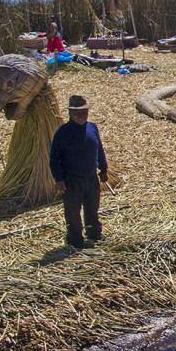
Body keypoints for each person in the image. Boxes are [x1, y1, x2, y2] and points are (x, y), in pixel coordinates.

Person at [49, 95, 108, 249]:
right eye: (77, 113)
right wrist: (58, 179)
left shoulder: (92, 127)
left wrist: (104, 168)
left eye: (84, 112)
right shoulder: (63, 132)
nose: (81, 116)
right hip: (72, 180)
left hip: (91, 177)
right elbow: (54, 157)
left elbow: (99, 149)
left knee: (92, 208)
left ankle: (94, 233)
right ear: (70, 113)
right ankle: (75, 239)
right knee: (73, 211)